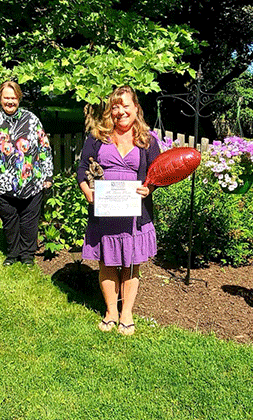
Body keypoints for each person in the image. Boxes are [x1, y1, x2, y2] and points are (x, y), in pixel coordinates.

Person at [77, 86, 160, 336]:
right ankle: (111, 311)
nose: (120, 111)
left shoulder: (147, 140)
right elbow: (82, 169)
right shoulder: (97, 138)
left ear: (136, 108)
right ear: (109, 112)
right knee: (107, 262)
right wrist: (88, 191)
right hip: (105, 212)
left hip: (135, 215)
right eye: (115, 107)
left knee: (132, 264)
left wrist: (149, 188)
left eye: (125, 105)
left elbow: (157, 174)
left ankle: (127, 313)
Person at [0, 81, 53, 266]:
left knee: (29, 221)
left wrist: (47, 175)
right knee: (9, 221)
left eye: (13, 98)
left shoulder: (32, 119)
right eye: (6, 98)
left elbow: (44, 147)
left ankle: (27, 255)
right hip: (1, 184)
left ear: (19, 98)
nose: (10, 102)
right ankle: (12, 254)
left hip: (31, 182)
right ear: (0, 99)